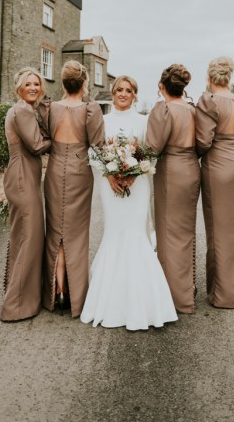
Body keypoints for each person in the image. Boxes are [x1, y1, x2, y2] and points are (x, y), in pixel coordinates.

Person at [80, 75, 178, 331]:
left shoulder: (144, 121)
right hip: (109, 184)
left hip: (138, 185)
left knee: (136, 233)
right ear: (112, 93)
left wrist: (135, 175)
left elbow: (151, 151)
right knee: (114, 233)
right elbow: (94, 150)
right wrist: (110, 174)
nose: (123, 94)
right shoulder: (103, 120)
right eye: (119, 90)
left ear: (135, 94)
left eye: (128, 90)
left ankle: (144, 301)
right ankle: (110, 300)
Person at [42, 61, 104, 317]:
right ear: (85, 83)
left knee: (55, 230)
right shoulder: (91, 110)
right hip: (80, 171)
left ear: (64, 82)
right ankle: (76, 295)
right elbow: (98, 143)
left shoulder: (49, 108)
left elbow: (43, 139)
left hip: (55, 168)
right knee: (76, 233)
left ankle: (58, 290)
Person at [195, 56, 234, 308]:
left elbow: (203, 141)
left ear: (209, 78)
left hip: (219, 165)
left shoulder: (209, 101)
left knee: (219, 230)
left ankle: (224, 295)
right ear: (229, 78)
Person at [145, 64, 200, 313]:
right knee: (186, 231)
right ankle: (186, 290)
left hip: (170, 171)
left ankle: (171, 297)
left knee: (167, 232)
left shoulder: (163, 108)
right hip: (191, 168)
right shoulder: (193, 109)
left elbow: (153, 146)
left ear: (161, 86)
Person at [1, 67, 51, 322]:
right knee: (30, 237)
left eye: (36, 83)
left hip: (24, 174)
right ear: (19, 86)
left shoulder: (24, 109)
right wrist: (62, 138)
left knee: (24, 235)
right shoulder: (21, 110)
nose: (33, 87)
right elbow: (37, 145)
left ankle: (22, 294)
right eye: (28, 84)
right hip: (21, 175)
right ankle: (16, 306)